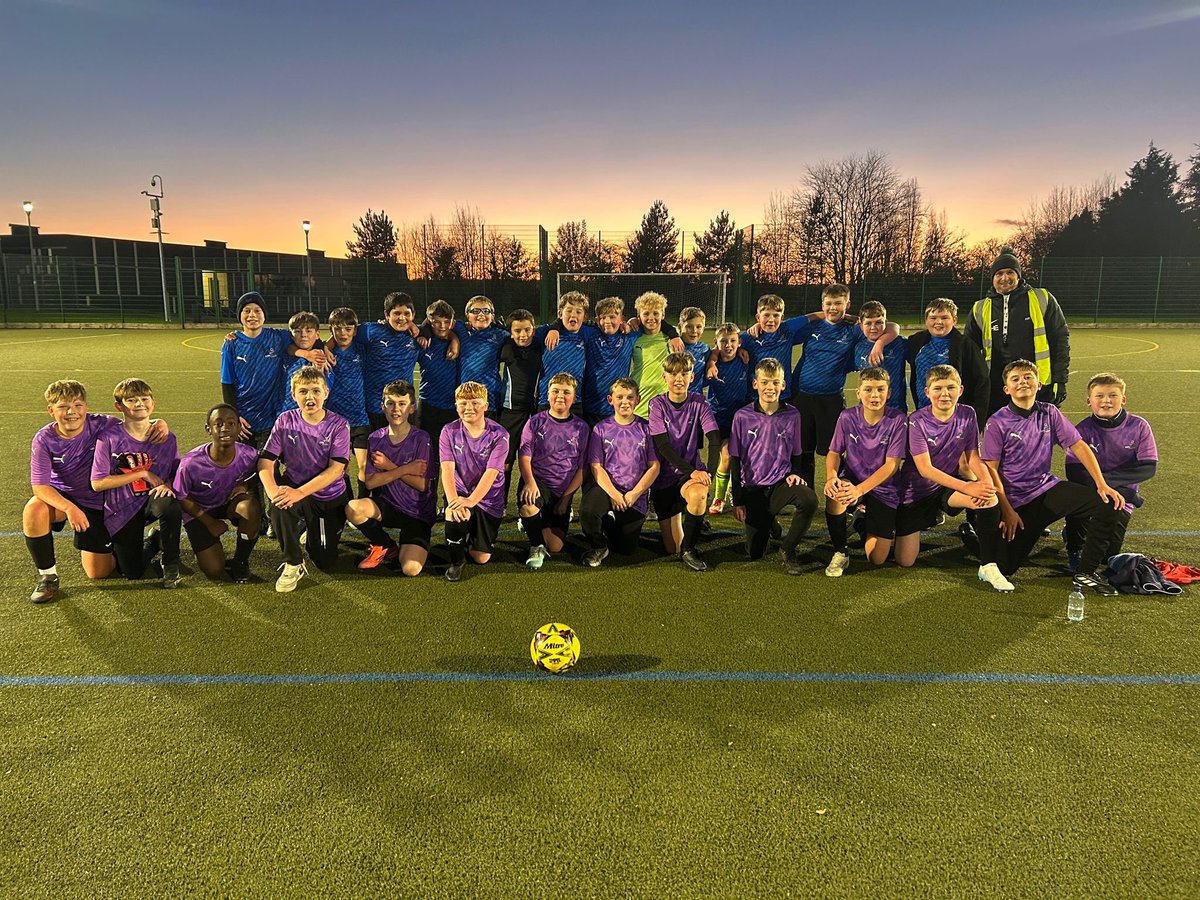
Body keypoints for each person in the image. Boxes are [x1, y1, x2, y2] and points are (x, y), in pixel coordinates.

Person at [981, 360, 1124, 594]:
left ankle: (1085, 572)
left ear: (1039, 384)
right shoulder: (997, 422)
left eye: (1028, 377)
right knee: (1005, 566)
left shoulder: (1050, 412)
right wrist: (1006, 510)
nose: (1023, 382)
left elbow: (1078, 445)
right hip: (1017, 501)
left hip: (1046, 489)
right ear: (1006, 389)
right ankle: (976, 536)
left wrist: (1102, 484)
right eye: (1015, 379)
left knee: (1107, 503)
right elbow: (990, 470)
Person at [24, 380, 167, 602]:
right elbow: (40, 486)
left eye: (78, 405)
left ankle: (150, 543)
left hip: (101, 503)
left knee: (98, 572)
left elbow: (136, 421)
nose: (72, 412)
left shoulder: (102, 424)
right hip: (66, 499)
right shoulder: (44, 439)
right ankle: (48, 577)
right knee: (34, 509)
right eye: (63, 407)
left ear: (86, 407)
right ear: (51, 410)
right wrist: (70, 508)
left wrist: (160, 423)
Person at [903, 365, 1007, 590]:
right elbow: (925, 469)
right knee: (905, 560)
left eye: (950, 388)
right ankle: (869, 523)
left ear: (960, 390)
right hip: (915, 494)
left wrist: (985, 483)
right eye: (938, 388)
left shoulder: (967, 413)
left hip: (945, 488)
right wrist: (968, 487)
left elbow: (973, 457)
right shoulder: (916, 420)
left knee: (988, 498)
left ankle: (988, 565)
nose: (945, 394)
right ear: (927, 392)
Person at [259, 366, 352, 591]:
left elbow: (336, 470)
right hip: (296, 489)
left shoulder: (339, 424)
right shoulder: (285, 420)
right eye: (303, 391)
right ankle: (293, 562)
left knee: (325, 560)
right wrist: (273, 492)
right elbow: (265, 461)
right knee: (280, 505)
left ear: (326, 393)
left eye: (315, 391)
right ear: (293, 395)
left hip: (327, 496)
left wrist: (299, 492)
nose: (310, 397)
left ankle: (310, 528)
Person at [727, 358, 819, 575]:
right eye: (765, 382)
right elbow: (735, 459)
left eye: (776, 382)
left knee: (809, 499)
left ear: (783, 385)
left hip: (780, 484)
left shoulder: (793, 414)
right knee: (755, 552)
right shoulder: (742, 416)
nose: (770, 388)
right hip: (753, 489)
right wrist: (739, 500)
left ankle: (788, 549)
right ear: (755, 384)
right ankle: (770, 524)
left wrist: (795, 473)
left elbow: (797, 452)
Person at [90, 378, 181, 587]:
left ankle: (170, 563)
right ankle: (154, 541)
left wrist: (167, 484)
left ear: (153, 402)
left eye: (144, 399)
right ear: (119, 406)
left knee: (170, 504)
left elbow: (176, 472)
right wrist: (142, 474)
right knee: (132, 571)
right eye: (131, 400)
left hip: (151, 500)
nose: (139, 403)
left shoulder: (167, 438)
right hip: (122, 507)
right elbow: (97, 483)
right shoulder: (108, 438)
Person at [1063, 372, 1158, 572]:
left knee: (1108, 557)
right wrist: (1102, 486)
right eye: (1099, 396)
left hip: (1121, 496)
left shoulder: (1139, 426)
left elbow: (1148, 467)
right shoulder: (1081, 430)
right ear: (1089, 401)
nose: (1106, 401)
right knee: (1073, 501)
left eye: (1113, 395)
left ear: (1123, 399)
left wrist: (1112, 486)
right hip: (1091, 491)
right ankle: (1074, 546)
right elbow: (1074, 472)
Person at [822, 368, 907, 577]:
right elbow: (834, 452)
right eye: (868, 389)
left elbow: (892, 465)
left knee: (877, 558)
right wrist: (832, 477)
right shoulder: (847, 416)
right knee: (835, 493)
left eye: (880, 389)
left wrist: (859, 491)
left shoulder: (898, 420)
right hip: (853, 480)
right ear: (858, 393)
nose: (874, 395)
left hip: (884, 488)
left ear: (889, 393)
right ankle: (841, 551)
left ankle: (861, 521)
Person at [966, 247, 1070, 416]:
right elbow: (969, 351)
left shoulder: (1042, 299)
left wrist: (1060, 379)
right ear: (992, 278)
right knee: (999, 430)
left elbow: (1060, 340)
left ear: (1018, 275)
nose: (1005, 278)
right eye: (999, 273)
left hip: (1037, 385)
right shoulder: (979, 308)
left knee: (1037, 430)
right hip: (996, 388)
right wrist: (972, 384)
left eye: (1010, 272)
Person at [347, 380, 434, 577]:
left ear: (412, 408)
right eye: (391, 403)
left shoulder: (422, 438)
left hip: (417, 513)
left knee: (411, 569)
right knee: (353, 508)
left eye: (402, 404)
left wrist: (389, 467)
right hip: (388, 505)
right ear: (383, 406)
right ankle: (385, 545)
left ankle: (413, 544)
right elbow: (370, 482)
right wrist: (404, 469)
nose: (396, 409)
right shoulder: (375, 438)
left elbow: (422, 485)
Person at [648, 351, 720, 571]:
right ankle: (686, 516)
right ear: (665, 377)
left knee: (698, 495)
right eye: (673, 374)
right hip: (664, 478)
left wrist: (708, 473)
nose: (678, 379)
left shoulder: (699, 402)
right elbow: (663, 447)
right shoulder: (657, 404)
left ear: (692, 376)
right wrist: (692, 471)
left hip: (689, 477)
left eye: (684, 373)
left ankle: (690, 549)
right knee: (671, 548)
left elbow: (714, 439)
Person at [174, 404, 262, 583]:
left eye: (231, 423)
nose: (225, 428)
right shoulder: (191, 463)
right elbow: (181, 496)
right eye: (218, 424)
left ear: (239, 427)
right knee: (214, 569)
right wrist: (209, 522)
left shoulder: (249, 454)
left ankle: (240, 561)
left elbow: (265, 470)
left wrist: (245, 484)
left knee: (249, 508)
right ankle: (160, 541)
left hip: (227, 503)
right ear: (208, 429)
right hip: (198, 511)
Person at [580, 378, 661, 567]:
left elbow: (654, 466)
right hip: (607, 490)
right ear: (611, 400)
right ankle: (599, 546)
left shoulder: (647, 429)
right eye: (620, 397)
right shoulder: (600, 429)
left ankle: (608, 522)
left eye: (630, 397)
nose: (625, 402)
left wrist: (634, 494)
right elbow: (596, 466)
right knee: (588, 512)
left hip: (634, 496)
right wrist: (614, 494)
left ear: (638, 400)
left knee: (626, 548)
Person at [518, 373, 590, 570]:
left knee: (556, 546)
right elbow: (524, 456)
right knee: (529, 505)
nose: (560, 396)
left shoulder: (582, 428)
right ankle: (536, 545)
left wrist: (566, 499)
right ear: (547, 395)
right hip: (539, 482)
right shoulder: (535, 422)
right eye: (555, 391)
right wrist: (530, 482)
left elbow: (582, 468)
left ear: (574, 397)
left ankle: (533, 522)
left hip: (562, 490)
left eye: (566, 392)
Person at [440, 381, 510, 583]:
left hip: (488, 497)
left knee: (481, 557)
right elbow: (447, 469)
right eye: (463, 403)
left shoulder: (500, 435)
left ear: (486, 406)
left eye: (475, 403)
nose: (469, 408)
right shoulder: (448, 431)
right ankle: (457, 561)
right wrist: (453, 501)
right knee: (454, 513)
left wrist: (471, 501)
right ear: (456, 406)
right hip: (461, 492)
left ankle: (470, 536)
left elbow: (491, 473)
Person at [906, 298, 989, 422]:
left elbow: (982, 382)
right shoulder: (916, 341)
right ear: (926, 320)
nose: (938, 322)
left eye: (944, 318)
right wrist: (880, 343)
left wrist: (978, 420)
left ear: (954, 320)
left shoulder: (966, 345)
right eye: (933, 318)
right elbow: (891, 333)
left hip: (956, 417)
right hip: (923, 414)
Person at [416, 299, 461, 509]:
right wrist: (423, 331)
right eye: (436, 322)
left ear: (453, 322)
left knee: (455, 458)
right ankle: (429, 501)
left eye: (446, 322)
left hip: (454, 409)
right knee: (429, 458)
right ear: (429, 321)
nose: (442, 326)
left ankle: (450, 501)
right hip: (429, 407)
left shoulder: (459, 338)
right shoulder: (422, 342)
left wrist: (455, 339)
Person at [705, 322, 752, 515]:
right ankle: (721, 496)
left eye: (733, 341)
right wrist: (712, 360)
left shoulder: (745, 360)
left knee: (735, 455)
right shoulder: (711, 362)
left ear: (739, 342)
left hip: (739, 418)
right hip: (717, 417)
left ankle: (729, 492)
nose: (728, 345)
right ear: (716, 343)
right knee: (726, 455)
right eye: (723, 341)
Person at [498, 308, 543, 506]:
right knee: (505, 460)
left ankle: (525, 503)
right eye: (517, 331)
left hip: (535, 411)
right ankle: (500, 503)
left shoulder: (540, 345)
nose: (523, 335)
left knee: (532, 460)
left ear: (534, 329)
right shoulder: (506, 346)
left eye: (527, 330)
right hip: (511, 410)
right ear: (510, 332)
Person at [324, 308, 370, 498]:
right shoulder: (325, 354)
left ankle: (362, 500)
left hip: (359, 418)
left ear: (355, 330)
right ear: (331, 330)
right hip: (335, 420)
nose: (343, 333)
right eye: (338, 329)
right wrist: (325, 347)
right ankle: (346, 501)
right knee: (341, 467)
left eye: (348, 329)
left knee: (365, 465)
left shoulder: (362, 349)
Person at [361, 292, 421, 431]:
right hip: (376, 406)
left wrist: (454, 340)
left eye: (406, 314)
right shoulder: (371, 331)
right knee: (377, 444)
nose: (402, 318)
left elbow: (440, 329)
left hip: (405, 407)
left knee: (407, 444)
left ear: (413, 315)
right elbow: (343, 332)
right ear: (386, 315)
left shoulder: (417, 335)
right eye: (397, 313)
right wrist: (324, 348)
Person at [451, 296, 509, 417]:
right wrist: (454, 338)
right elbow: (433, 319)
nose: (481, 314)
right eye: (475, 311)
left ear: (493, 316)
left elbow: (525, 335)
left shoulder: (501, 335)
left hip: (490, 396)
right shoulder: (461, 329)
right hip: (464, 397)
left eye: (486, 311)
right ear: (467, 315)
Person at [536, 292, 589, 414]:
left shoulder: (587, 333)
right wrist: (554, 327)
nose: (573, 315)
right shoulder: (545, 332)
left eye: (578, 312)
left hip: (574, 401)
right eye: (568, 311)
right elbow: (523, 332)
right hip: (547, 400)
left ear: (585, 316)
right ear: (560, 314)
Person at [852, 301, 907, 413]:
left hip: (895, 409)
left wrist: (880, 343)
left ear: (885, 323)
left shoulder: (899, 343)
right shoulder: (857, 347)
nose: (873, 327)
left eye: (878, 322)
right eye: (868, 323)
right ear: (861, 326)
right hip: (867, 410)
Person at [678, 307, 709, 394]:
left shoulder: (705, 350)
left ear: (703, 328)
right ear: (680, 327)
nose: (694, 331)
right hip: (673, 398)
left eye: (698, 327)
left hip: (695, 398)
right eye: (689, 327)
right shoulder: (672, 346)